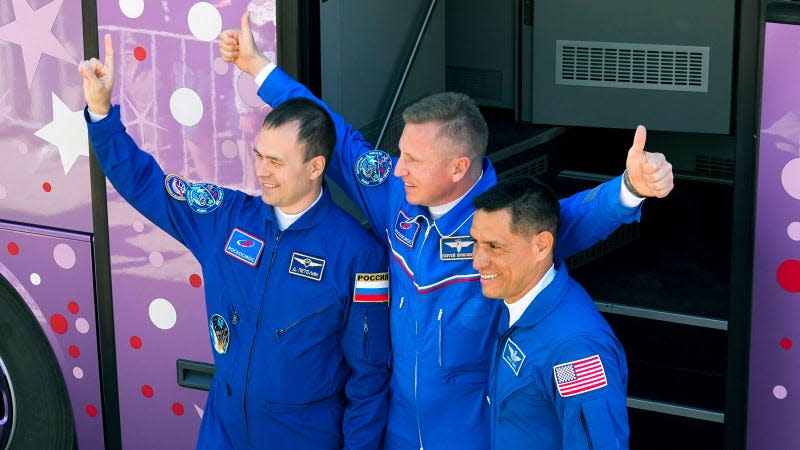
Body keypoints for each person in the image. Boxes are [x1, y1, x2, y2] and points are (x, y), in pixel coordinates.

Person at [220, 12, 673, 449]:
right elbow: (333, 135)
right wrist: (260, 70)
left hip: (471, 434)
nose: (398, 169)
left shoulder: (506, 223)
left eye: (414, 159)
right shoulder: (395, 194)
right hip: (395, 430)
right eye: (401, 153)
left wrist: (631, 187)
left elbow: (573, 218)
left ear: (459, 167)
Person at [79, 34, 390, 450]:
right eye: (259, 154)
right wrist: (102, 114)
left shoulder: (358, 254)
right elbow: (144, 184)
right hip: (222, 433)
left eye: (276, 162)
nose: (261, 170)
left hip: (304, 438)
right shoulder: (223, 217)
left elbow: (369, 379)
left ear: (316, 166)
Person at [471, 177, 629, 449]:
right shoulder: (514, 298)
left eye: (494, 246)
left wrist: (629, 190)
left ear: (541, 246)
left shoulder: (575, 351)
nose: (477, 261)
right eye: (476, 242)